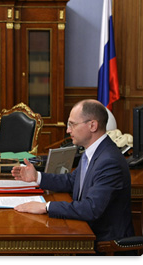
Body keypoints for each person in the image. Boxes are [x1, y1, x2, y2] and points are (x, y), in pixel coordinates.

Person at [11, 99, 134, 244]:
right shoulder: (93, 151)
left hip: (104, 244)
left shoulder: (109, 161)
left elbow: (91, 208)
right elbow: (72, 181)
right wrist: (36, 177)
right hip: (84, 230)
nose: (68, 130)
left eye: (72, 124)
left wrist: (46, 207)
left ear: (92, 125)